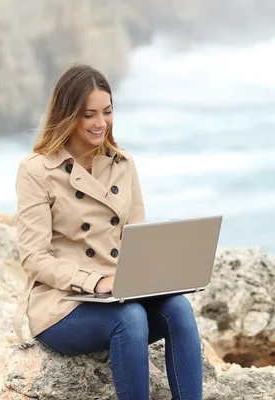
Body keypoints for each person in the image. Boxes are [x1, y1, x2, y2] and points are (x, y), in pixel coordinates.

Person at [12, 64, 203, 400]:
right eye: (89, 115)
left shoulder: (123, 164)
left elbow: (137, 242)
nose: (101, 123)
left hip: (120, 292)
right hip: (63, 305)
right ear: (67, 114)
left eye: (107, 112)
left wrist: (161, 275)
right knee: (129, 318)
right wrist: (95, 282)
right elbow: (34, 258)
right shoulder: (36, 170)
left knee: (179, 308)